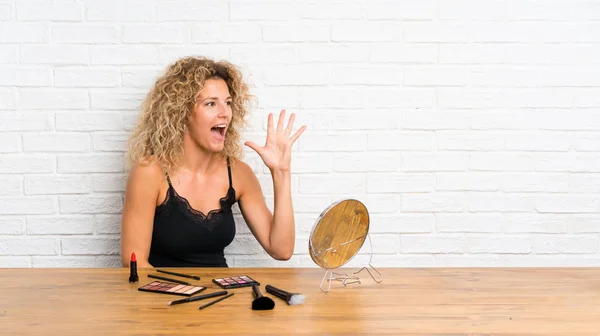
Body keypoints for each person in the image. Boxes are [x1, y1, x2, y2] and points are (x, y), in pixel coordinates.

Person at [120, 56, 306, 268]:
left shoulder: (238, 173)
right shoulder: (150, 172)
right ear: (182, 113)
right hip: (165, 296)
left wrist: (281, 172)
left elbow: (281, 249)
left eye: (227, 103)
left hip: (221, 295)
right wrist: (186, 294)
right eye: (210, 104)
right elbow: (133, 263)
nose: (225, 113)